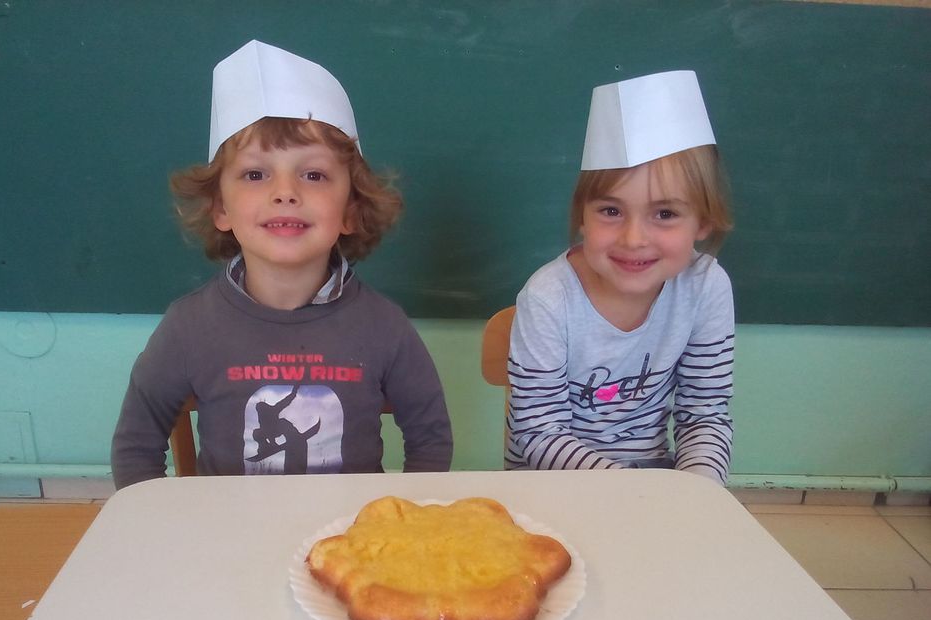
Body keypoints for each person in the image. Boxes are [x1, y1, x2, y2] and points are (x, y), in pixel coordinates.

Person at [111, 40, 452, 488]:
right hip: (228, 537)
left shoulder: (385, 326)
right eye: (255, 174)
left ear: (351, 209)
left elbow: (430, 438)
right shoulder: (188, 326)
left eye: (314, 174)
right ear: (221, 209)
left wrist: (403, 525)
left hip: (350, 541)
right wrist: (160, 528)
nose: (285, 191)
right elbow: (136, 445)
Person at [506, 70, 734, 484]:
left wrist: (700, 492)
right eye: (611, 211)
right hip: (550, 486)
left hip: (653, 483)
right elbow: (539, 431)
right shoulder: (548, 297)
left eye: (665, 214)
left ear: (703, 221)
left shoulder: (705, 287)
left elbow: (704, 414)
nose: (633, 239)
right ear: (582, 216)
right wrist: (631, 493)